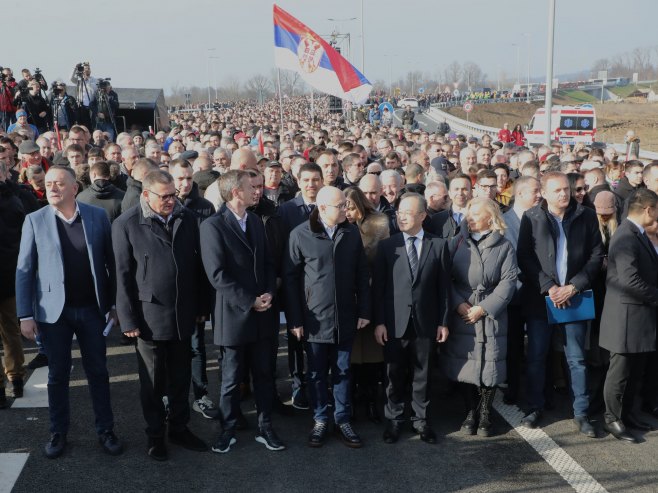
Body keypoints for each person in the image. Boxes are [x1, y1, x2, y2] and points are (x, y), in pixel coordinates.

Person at [15, 165, 122, 458]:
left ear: (74, 188)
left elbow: (111, 263)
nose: (52, 188)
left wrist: (114, 304)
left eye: (59, 183)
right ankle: (58, 431)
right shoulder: (34, 220)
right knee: (58, 375)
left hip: (91, 310)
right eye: (49, 183)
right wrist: (25, 314)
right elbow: (24, 271)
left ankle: (106, 430)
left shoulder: (96, 216)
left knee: (98, 372)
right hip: (53, 314)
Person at [112, 170, 208, 461]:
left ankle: (179, 427)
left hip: (183, 313)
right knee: (152, 383)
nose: (170, 201)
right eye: (164, 196)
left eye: (173, 195)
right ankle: (155, 435)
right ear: (146, 195)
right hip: (148, 316)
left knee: (180, 377)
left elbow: (198, 265)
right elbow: (122, 275)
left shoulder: (187, 218)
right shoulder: (126, 224)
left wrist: (201, 307)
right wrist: (127, 319)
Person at [200, 170, 285, 453]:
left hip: (264, 313)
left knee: (264, 374)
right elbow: (217, 274)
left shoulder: (257, 222)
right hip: (234, 315)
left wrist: (270, 293)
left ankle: (265, 426)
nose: (257, 191)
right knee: (231, 378)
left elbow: (269, 264)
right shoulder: (213, 226)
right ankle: (227, 428)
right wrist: (250, 300)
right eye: (251, 187)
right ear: (236, 192)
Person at [517, 171, 603, 436]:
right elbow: (525, 257)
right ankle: (535, 406)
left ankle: (581, 412)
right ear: (543, 193)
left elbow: (596, 254)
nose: (564, 194)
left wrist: (574, 286)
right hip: (541, 299)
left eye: (566, 189)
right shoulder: (532, 218)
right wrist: (549, 287)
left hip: (574, 297)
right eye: (557, 190)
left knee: (576, 358)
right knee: (537, 356)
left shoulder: (586, 215)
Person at [284, 186, 371, 448]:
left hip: (345, 316)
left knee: (343, 370)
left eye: (346, 204)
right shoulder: (300, 235)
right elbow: (290, 280)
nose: (346, 209)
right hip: (314, 320)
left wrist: (364, 310)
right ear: (322, 208)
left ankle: (342, 418)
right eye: (340, 206)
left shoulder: (351, 232)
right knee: (317, 373)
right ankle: (321, 418)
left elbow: (361, 273)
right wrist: (295, 320)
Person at [372, 193, 450, 444]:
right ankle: (394, 419)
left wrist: (443, 321)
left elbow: (443, 289)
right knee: (393, 374)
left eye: (407, 212)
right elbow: (379, 289)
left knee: (422, 374)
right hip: (394, 322)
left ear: (422, 216)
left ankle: (420, 420)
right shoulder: (387, 246)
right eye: (398, 212)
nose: (401, 216)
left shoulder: (438, 245)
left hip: (426, 322)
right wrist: (380, 322)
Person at [442, 198, 517, 437]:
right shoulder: (456, 243)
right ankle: (470, 411)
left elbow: (509, 281)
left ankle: (485, 412)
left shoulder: (504, 246)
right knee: (467, 364)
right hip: (463, 312)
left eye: (475, 214)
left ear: (490, 217)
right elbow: (446, 278)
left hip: (491, 314)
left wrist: (484, 308)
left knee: (490, 363)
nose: (470, 218)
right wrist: (458, 304)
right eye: (468, 214)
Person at [599, 189, 658, 443]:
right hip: (625, 317)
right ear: (648, 209)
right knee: (620, 372)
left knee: (636, 370)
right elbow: (629, 280)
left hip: (640, 317)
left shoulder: (638, 233)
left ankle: (629, 414)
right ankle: (612, 418)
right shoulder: (626, 235)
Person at [169, 159, 217, 419]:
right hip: (169, 293)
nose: (185, 183)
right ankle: (171, 397)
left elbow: (206, 257)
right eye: (180, 178)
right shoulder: (165, 205)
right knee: (170, 349)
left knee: (197, 347)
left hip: (195, 290)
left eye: (189, 178)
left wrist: (202, 302)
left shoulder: (205, 208)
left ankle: (200, 395)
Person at [277, 162, 323, 410]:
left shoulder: (328, 207)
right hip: (295, 282)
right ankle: (298, 384)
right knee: (296, 337)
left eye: (316, 179)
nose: (311, 184)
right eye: (306, 180)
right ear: (298, 180)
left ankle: (319, 382)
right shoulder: (286, 210)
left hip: (321, 286)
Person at [344, 187, 390, 423]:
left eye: (352, 207)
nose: (348, 212)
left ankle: (372, 399)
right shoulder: (341, 228)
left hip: (371, 296)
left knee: (372, 354)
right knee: (351, 356)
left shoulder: (379, 225)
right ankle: (351, 400)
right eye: (345, 208)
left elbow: (380, 260)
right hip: (348, 299)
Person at [502, 176, 542, 404]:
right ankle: (513, 388)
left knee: (538, 348)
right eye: (535, 191)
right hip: (514, 295)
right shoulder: (503, 222)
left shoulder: (542, 219)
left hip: (539, 294)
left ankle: (539, 393)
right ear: (519, 194)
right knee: (514, 346)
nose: (539, 195)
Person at [0, 159, 27, 408]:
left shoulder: (14, 199)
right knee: (11, 330)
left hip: (8, 272)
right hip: (10, 274)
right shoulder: (15, 199)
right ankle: (16, 377)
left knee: (10, 330)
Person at [428, 174, 472, 239]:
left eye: (464, 189)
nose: (460, 193)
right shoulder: (437, 219)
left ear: (471, 192)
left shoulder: (478, 218)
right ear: (450, 193)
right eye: (456, 189)